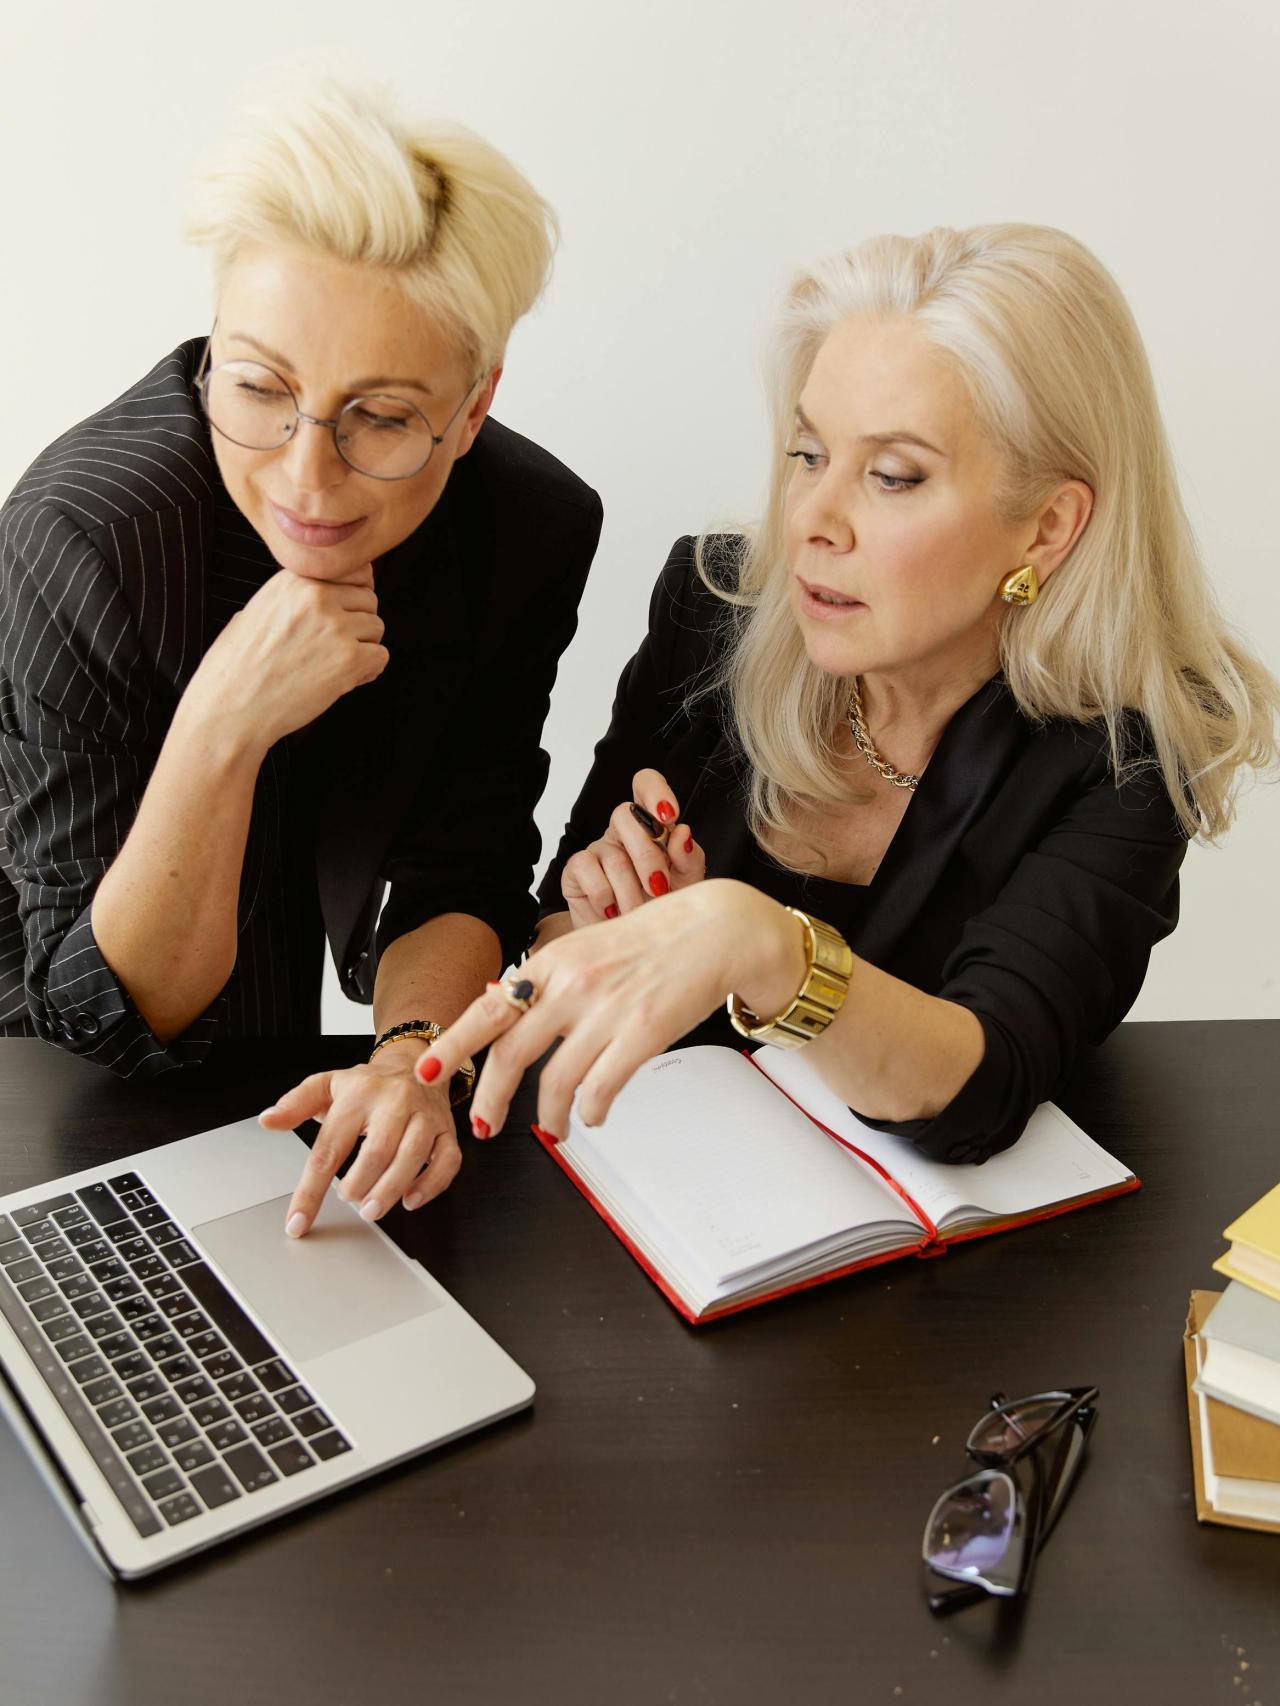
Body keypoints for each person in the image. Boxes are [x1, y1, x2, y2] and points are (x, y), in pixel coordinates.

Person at [416, 223, 1279, 1164]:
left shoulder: (1131, 750)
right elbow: (555, 922)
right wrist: (603, 928)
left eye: (893, 476)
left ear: (1046, 528)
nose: (815, 522)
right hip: (656, 1199)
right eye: (808, 455)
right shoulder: (714, 611)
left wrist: (761, 943)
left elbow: (983, 1089)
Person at [0, 69, 602, 1235]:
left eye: (379, 415)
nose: (305, 478)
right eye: (261, 387)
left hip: (286, 1064)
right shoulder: (83, 534)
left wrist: (413, 1060)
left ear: (473, 407)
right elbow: (107, 1015)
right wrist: (223, 723)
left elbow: (462, 861)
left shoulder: (528, 526)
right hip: (48, 1075)